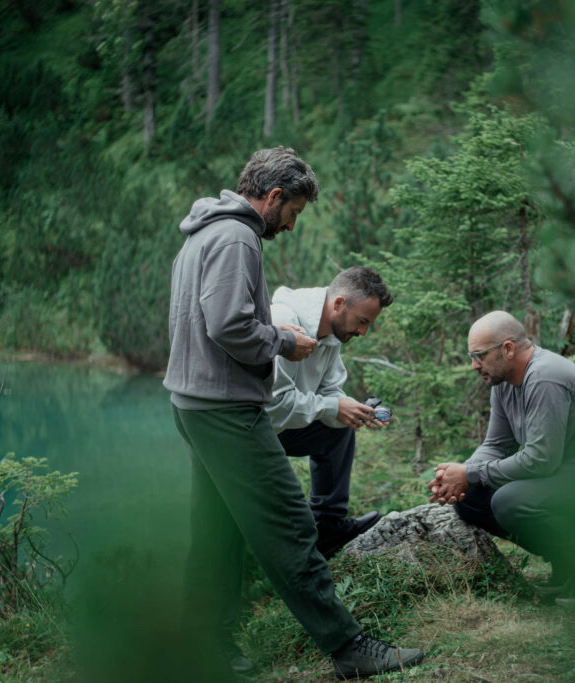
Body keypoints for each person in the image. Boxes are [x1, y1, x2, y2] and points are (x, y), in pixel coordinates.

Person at [164, 147, 423, 679]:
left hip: (192, 404)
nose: (291, 224)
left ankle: (204, 646)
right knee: (289, 526)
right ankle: (348, 647)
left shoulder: (203, 233)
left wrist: (272, 338)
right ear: (275, 196)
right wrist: (282, 340)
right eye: (294, 212)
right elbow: (228, 326)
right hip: (226, 410)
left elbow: (211, 320)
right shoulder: (238, 237)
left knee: (215, 534)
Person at [428, 310, 575, 602]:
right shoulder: (503, 382)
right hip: (563, 480)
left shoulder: (545, 378)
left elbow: (540, 460)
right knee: (470, 500)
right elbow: (496, 444)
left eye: (480, 356)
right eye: (472, 357)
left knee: (509, 501)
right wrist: (460, 477)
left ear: (508, 349)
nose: (474, 365)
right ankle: (568, 562)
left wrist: (469, 473)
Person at [266, 266, 394, 559]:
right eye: (362, 321)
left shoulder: (332, 334)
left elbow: (330, 389)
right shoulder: (285, 323)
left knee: (339, 425)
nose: (363, 332)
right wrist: (334, 406)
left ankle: (327, 527)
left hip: (281, 429)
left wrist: (353, 409)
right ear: (339, 303)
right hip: (251, 434)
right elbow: (273, 406)